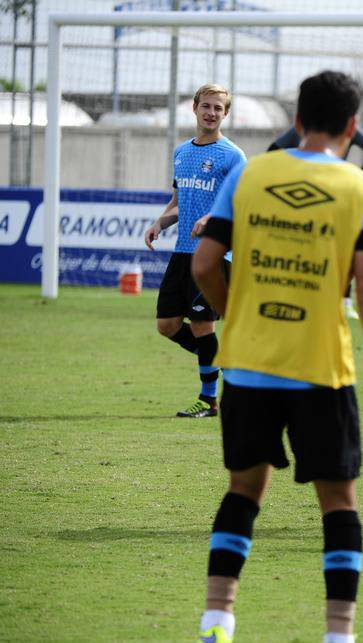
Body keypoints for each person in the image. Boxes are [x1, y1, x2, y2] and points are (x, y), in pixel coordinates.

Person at [189, 70, 363, 643]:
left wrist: (242, 318)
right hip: (319, 371)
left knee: (243, 492)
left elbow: (205, 264)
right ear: (353, 127)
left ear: (298, 119)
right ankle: (339, 642)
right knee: (339, 502)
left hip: (247, 368)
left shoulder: (249, 173)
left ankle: (215, 627)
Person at [144, 84, 246, 418]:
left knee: (203, 327)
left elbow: (240, 203)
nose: (211, 112)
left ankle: (208, 399)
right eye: (206, 106)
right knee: (167, 325)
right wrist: (161, 222)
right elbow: (179, 201)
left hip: (215, 254)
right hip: (182, 251)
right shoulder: (181, 153)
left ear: (225, 114)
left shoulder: (233, 156)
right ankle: (225, 361)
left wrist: (213, 217)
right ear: (195, 107)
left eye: (218, 108)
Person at [267, 124, 363, 320]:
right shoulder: (343, 127)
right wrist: (359, 174)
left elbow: (272, 151)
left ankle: (340, 300)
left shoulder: (312, 127)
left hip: (312, 195)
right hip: (329, 194)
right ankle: (333, 300)